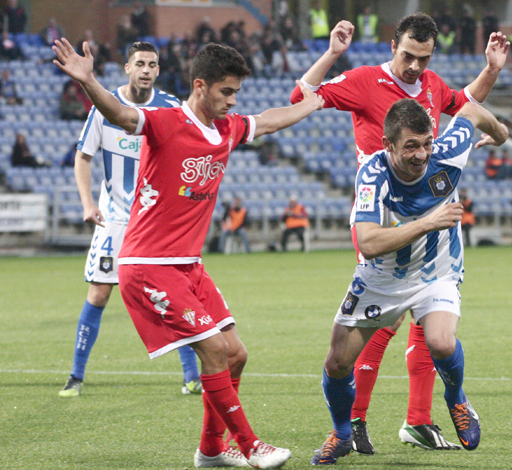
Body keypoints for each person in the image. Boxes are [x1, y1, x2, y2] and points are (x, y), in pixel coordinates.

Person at [52, 36, 323, 468]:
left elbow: (268, 120)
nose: (233, 102)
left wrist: (314, 103)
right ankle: (251, 446)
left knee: (236, 354)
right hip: (147, 264)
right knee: (214, 350)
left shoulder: (227, 128)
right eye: (226, 92)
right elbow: (121, 113)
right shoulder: (165, 122)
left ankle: (212, 450)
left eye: (236, 92)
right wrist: (89, 83)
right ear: (200, 85)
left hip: (188, 265)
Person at [289, 14, 509, 454]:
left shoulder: (431, 93)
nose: (413, 66)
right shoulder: (365, 81)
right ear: (393, 46)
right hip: (381, 215)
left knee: (432, 333)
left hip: (430, 225)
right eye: (407, 55)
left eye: (422, 59)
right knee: (367, 338)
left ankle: (423, 415)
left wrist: (492, 73)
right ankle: (355, 424)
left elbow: (466, 106)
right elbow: (302, 97)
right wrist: (333, 54)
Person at [58, 41, 204, 399]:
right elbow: (83, 157)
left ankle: (191, 377)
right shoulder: (106, 107)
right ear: (127, 67)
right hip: (115, 220)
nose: (146, 70)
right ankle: (75, 376)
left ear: (157, 70)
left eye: (152, 64)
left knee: (172, 296)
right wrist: (88, 202)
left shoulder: (170, 107)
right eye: (139, 63)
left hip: (156, 222)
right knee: (99, 293)